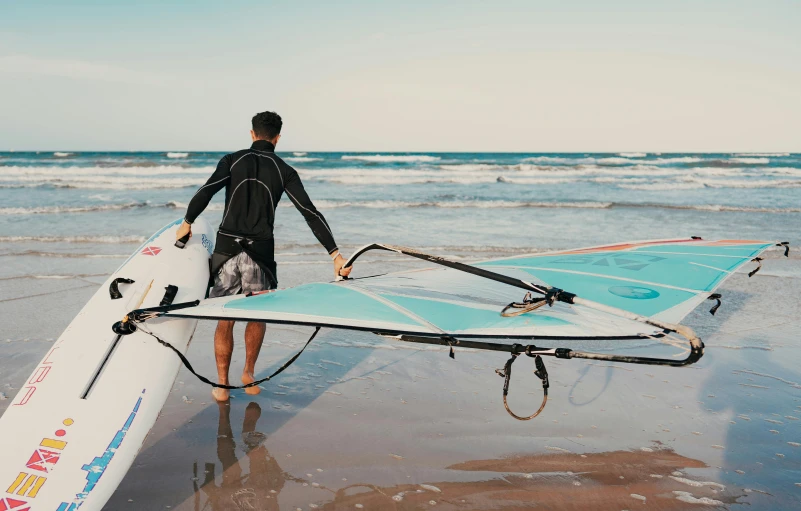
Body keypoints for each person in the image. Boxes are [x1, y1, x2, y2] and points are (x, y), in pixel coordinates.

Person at [175, 110, 351, 402]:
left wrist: (187, 222)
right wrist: (335, 254)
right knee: (256, 315)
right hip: (260, 253)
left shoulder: (233, 160)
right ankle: (248, 374)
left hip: (227, 249)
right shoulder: (284, 169)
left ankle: (221, 384)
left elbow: (206, 190)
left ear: (252, 134)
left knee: (225, 316)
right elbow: (309, 212)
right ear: (278, 138)